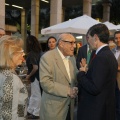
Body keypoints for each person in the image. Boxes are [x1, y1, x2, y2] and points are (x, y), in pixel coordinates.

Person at [77, 23, 118, 120]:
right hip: (103, 109)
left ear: (95, 37)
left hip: (96, 111)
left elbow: (94, 87)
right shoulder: (108, 54)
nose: (88, 41)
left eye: (89, 37)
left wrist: (81, 74)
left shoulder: (101, 57)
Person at [40, 33, 78, 120]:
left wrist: (82, 74)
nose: (74, 46)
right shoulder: (47, 58)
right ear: (61, 44)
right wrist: (68, 90)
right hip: (54, 109)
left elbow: (74, 76)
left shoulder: (72, 58)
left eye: (74, 43)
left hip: (69, 108)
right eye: (71, 43)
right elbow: (45, 83)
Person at [0, 35, 28, 120]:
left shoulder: (4, 73)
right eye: (21, 51)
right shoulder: (11, 78)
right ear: (11, 54)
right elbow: (8, 114)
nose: (23, 54)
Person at [26, 35, 43, 119]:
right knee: (34, 94)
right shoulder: (39, 52)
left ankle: (36, 113)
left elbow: (35, 67)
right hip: (39, 76)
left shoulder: (32, 53)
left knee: (36, 95)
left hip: (35, 77)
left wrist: (29, 75)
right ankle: (30, 110)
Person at [112, 31, 120, 120]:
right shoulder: (112, 50)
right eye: (116, 38)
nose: (118, 40)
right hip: (112, 83)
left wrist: (114, 67)